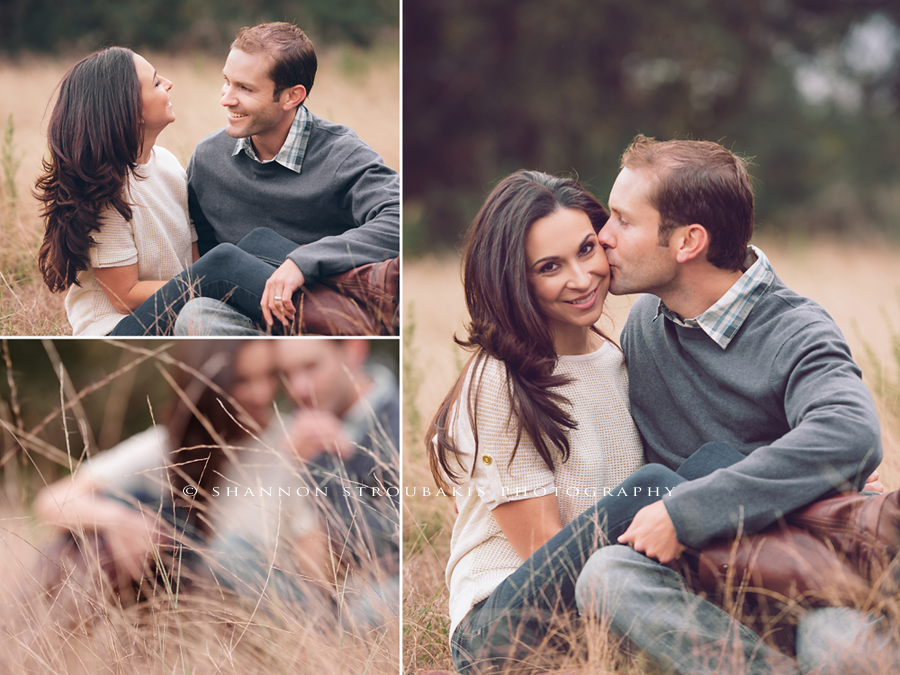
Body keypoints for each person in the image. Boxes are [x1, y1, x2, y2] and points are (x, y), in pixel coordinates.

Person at [573, 135, 892, 674]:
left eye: (623, 221)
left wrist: (687, 512)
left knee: (841, 653)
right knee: (606, 577)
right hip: (705, 577)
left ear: (688, 241)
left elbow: (851, 432)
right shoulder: (644, 327)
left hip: (811, 573)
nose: (602, 237)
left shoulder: (795, 329)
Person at [428, 170, 655, 674]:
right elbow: (544, 554)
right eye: (550, 266)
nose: (581, 278)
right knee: (663, 487)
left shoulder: (621, 361)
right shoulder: (498, 380)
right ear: (515, 280)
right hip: (502, 623)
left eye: (587, 250)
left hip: (609, 599)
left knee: (709, 472)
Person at [108, 22, 399, 336]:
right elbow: (201, 256)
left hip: (325, 318)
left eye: (244, 89)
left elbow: (396, 218)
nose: (226, 99)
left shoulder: (341, 155)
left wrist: (303, 261)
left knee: (239, 254)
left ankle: (121, 341)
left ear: (291, 96)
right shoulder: (209, 158)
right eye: (227, 82)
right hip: (247, 314)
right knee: (199, 315)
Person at [31, 341, 321, 610]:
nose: (263, 393)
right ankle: (32, 642)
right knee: (103, 531)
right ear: (207, 382)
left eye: (270, 375)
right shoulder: (169, 444)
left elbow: (317, 577)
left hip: (261, 606)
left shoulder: (294, 443)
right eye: (243, 380)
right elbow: (53, 499)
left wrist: (313, 468)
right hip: (184, 607)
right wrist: (122, 522)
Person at [35, 47, 198, 336]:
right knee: (225, 267)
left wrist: (206, 290)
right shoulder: (104, 190)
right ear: (130, 111)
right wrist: (207, 286)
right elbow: (126, 296)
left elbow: (192, 256)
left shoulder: (169, 164)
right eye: (157, 82)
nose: (169, 83)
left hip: (178, 309)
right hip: (117, 328)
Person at [274, 339, 400, 629]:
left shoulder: (396, 420)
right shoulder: (297, 428)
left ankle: (325, 639)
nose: (299, 388)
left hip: (376, 591)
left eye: (311, 366)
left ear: (354, 350)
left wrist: (319, 464)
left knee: (370, 611)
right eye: (287, 374)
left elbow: (381, 553)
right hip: (317, 594)